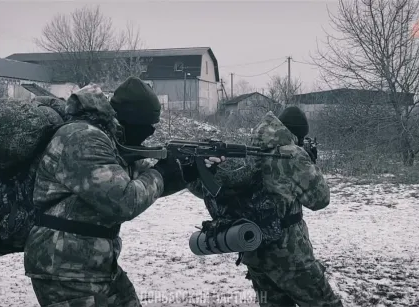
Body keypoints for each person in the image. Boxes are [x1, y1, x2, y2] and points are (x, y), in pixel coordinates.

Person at [24, 79, 223, 307]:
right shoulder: (83, 138)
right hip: (64, 268)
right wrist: (161, 173)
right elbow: (124, 201)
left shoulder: (108, 138)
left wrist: (186, 172)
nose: (148, 133)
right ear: (131, 120)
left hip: (92, 264)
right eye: (146, 126)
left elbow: (142, 184)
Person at [188, 106, 343, 307]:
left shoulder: (249, 150)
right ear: (297, 135)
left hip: (255, 250)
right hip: (290, 255)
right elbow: (320, 199)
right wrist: (311, 164)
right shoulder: (291, 155)